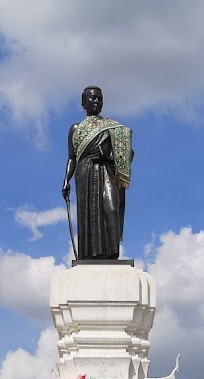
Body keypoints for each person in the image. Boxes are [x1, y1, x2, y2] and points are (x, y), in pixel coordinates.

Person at [62, 86, 133, 261]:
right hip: (84, 171)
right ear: (83, 103)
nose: (96, 101)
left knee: (110, 209)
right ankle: (88, 255)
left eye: (99, 99)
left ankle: (111, 254)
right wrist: (66, 180)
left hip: (106, 170)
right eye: (92, 98)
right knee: (87, 213)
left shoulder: (112, 127)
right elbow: (72, 158)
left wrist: (109, 156)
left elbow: (128, 152)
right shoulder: (76, 128)